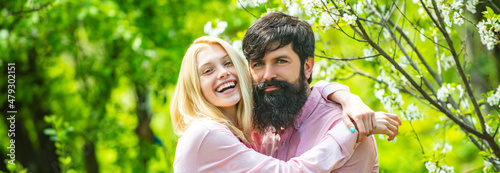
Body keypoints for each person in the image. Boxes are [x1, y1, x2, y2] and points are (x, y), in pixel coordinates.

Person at [171, 36, 401, 172]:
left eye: (228, 63)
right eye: (208, 71)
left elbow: (300, 90)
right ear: (194, 87)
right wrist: (352, 129)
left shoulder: (247, 127)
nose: (222, 73)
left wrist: (345, 97)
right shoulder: (207, 134)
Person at [242, 12, 396, 172]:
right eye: (258, 64)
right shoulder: (251, 122)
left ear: (307, 66)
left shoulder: (350, 127)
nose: (267, 75)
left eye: (281, 61)